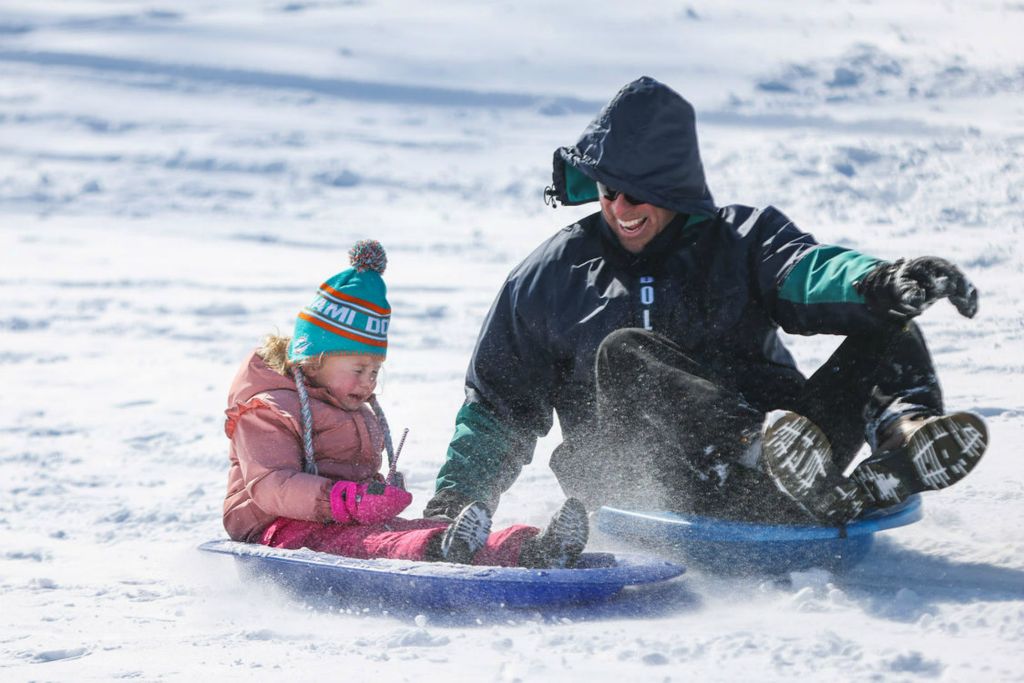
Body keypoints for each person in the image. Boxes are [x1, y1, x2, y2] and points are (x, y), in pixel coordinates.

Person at [423, 76, 989, 526]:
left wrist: (881, 282)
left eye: (639, 191)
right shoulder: (552, 276)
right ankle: (754, 448)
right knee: (626, 351)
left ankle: (899, 449)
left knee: (888, 326)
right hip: (654, 485)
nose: (620, 206)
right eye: (607, 189)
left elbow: (807, 272)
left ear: (674, 188)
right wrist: (454, 504)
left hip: (795, 472)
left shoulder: (742, 240)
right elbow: (499, 406)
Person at [222, 239, 589, 567]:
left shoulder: (349, 406)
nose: (369, 382)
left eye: (375, 370)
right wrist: (349, 501)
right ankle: (442, 548)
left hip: (339, 522)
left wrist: (377, 491)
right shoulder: (267, 410)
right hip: (280, 532)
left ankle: (530, 548)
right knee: (376, 543)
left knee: (416, 530)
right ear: (315, 358)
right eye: (359, 368)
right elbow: (272, 486)